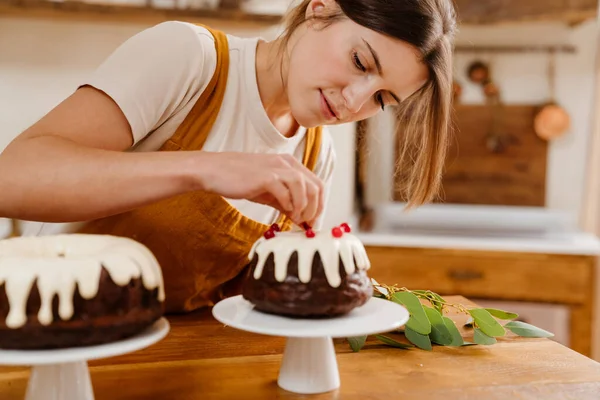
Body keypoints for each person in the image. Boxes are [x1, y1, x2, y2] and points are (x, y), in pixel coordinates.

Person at [0, 0, 457, 313]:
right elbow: (12, 178)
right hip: (51, 341)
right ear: (320, 7)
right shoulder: (190, 59)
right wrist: (207, 167)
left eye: (381, 100)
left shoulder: (316, 157)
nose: (355, 102)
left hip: (181, 365)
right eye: (360, 62)